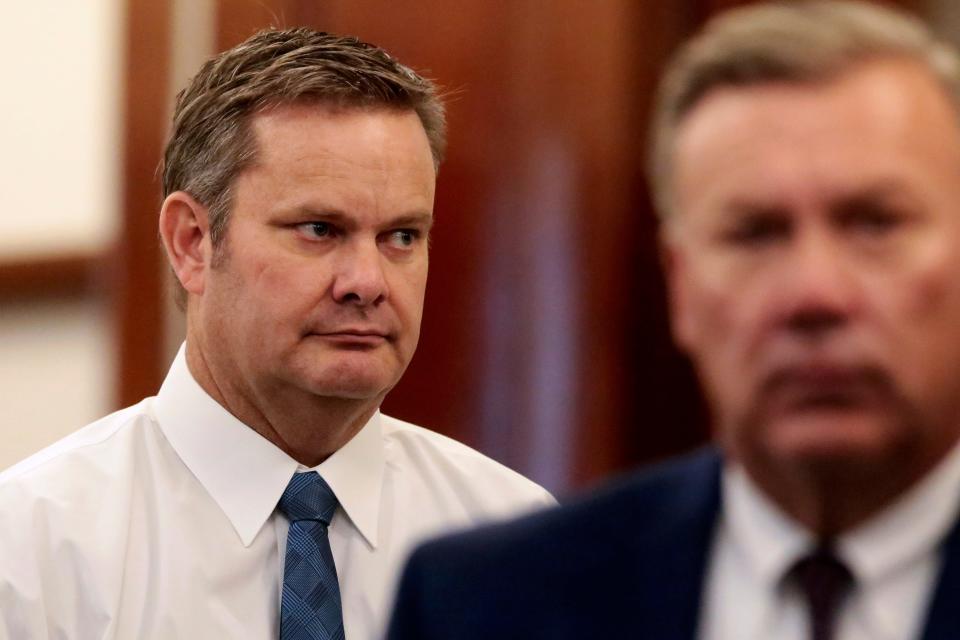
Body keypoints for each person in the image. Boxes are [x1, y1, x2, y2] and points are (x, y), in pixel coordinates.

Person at [387, 2, 960, 639]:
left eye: (874, 223)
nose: (815, 294)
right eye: (754, 234)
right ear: (681, 285)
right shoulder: (484, 603)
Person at [0, 28, 553, 639]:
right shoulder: (31, 550)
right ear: (192, 242)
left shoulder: (513, 535)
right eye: (319, 229)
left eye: (402, 236)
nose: (367, 282)